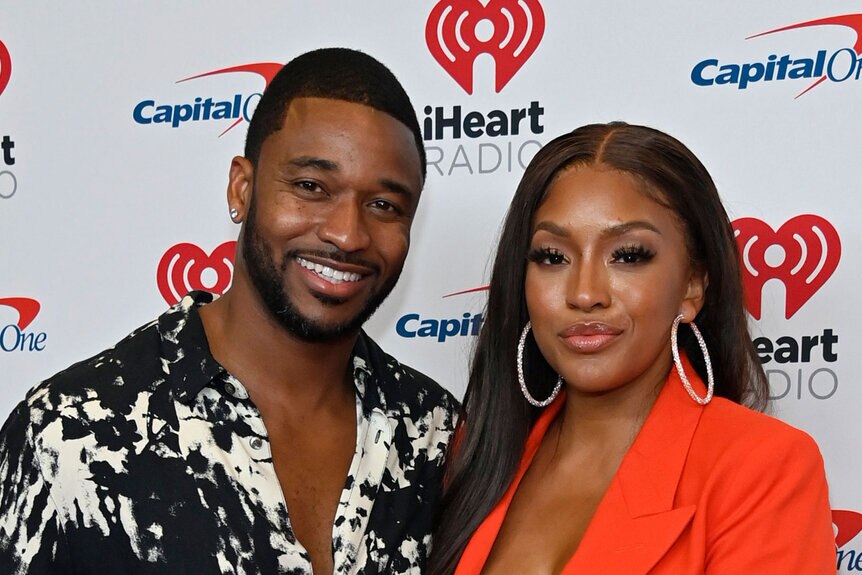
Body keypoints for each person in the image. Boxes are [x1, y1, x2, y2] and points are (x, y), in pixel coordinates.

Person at [0, 48, 457, 575]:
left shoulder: (437, 435)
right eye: (311, 187)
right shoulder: (72, 431)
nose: (347, 234)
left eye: (384, 205)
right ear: (243, 187)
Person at [430, 122, 835, 574]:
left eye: (628, 255)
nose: (584, 294)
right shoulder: (472, 452)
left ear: (693, 285)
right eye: (552, 257)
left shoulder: (762, 469)